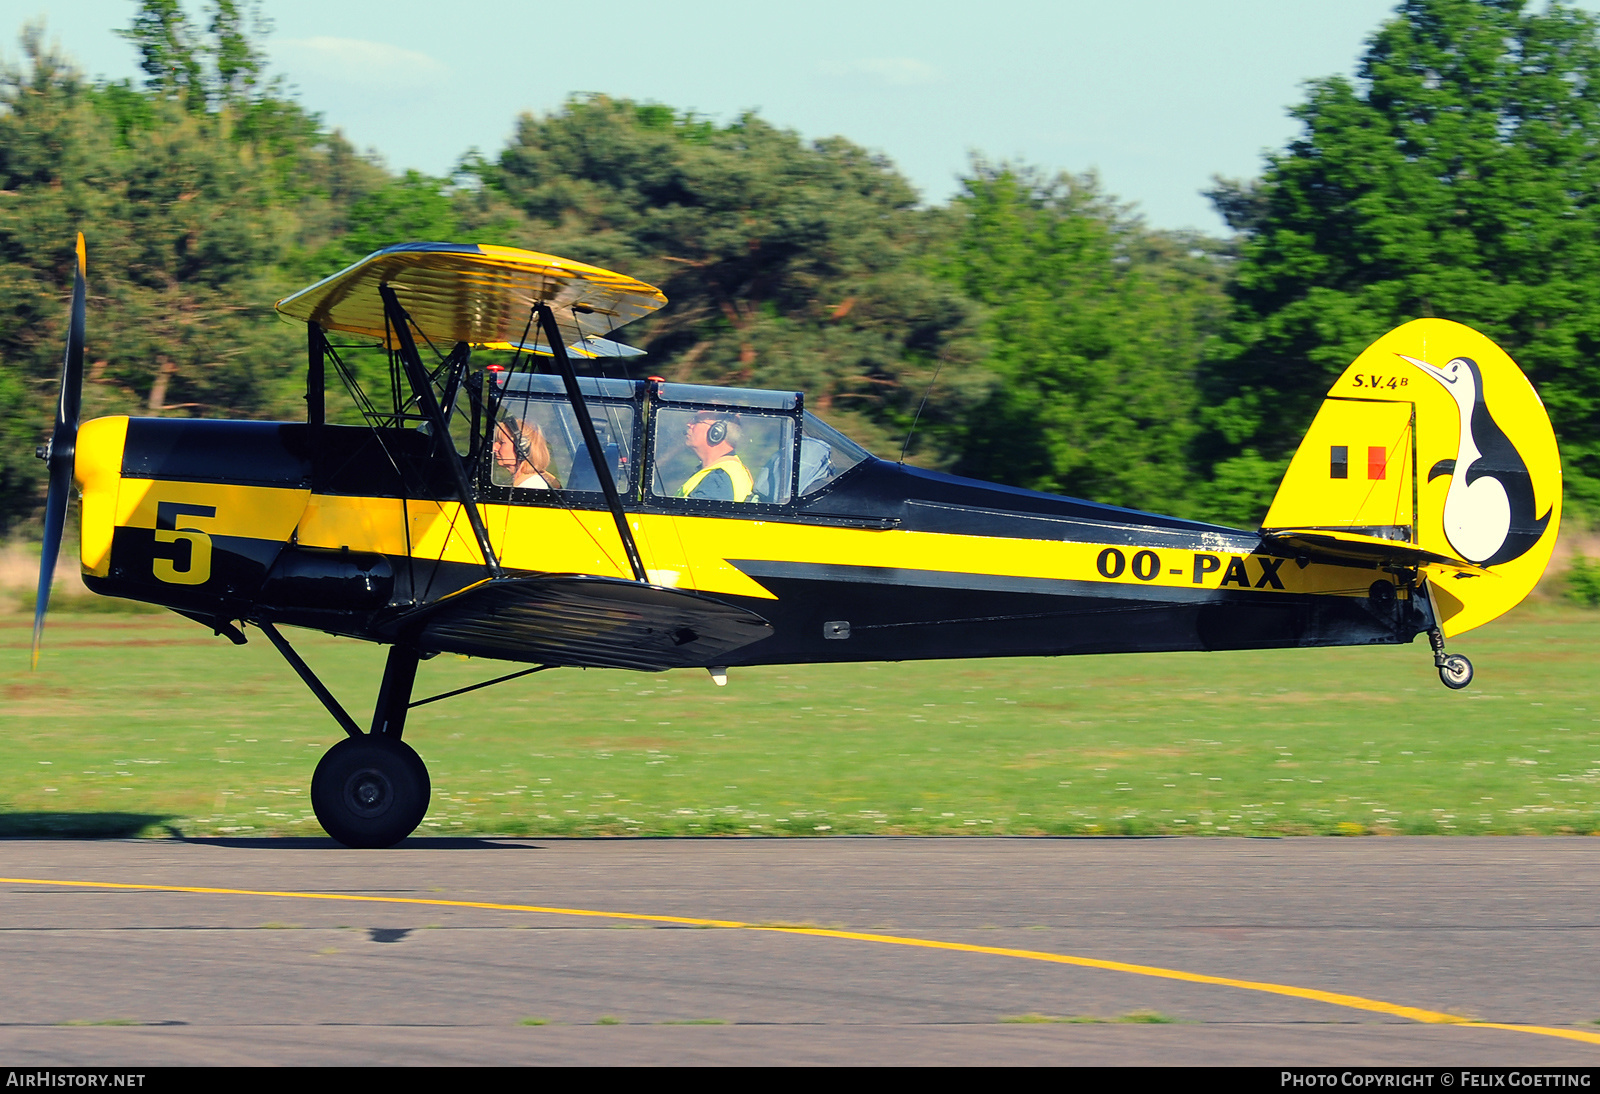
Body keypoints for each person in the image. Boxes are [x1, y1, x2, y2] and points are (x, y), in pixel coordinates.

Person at [676, 411, 752, 502]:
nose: (689, 424)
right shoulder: (723, 471)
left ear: (716, 432)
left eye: (697, 420)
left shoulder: (718, 479)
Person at [493, 416, 562, 490]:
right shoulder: (524, 483)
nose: (494, 448)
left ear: (523, 447)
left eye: (502, 442)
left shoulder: (532, 485)